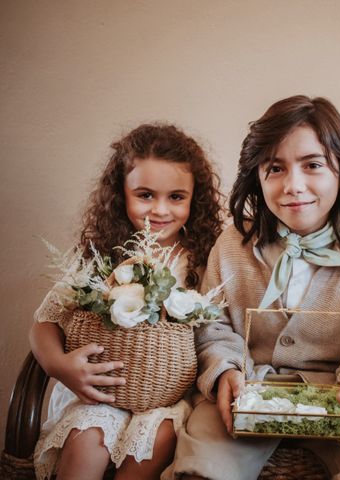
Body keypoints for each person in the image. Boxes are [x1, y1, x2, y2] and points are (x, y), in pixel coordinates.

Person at [165, 96, 340, 480]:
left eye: (313, 165)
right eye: (275, 168)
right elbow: (211, 326)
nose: (293, 185)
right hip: (243, 395)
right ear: (258, 177)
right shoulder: (232, 244)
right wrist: (225, 371)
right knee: (200, 470)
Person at [30, 123, 225, 480]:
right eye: (145, 195)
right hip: (101, 391)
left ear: (194, 198)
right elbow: (45, 322)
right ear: (121, 193)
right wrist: (60, 366)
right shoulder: (100, 254)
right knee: (88, 435)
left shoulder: (205, 257)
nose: (160, 210)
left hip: (170, 395)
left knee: (160, 435)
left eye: (176, 197)